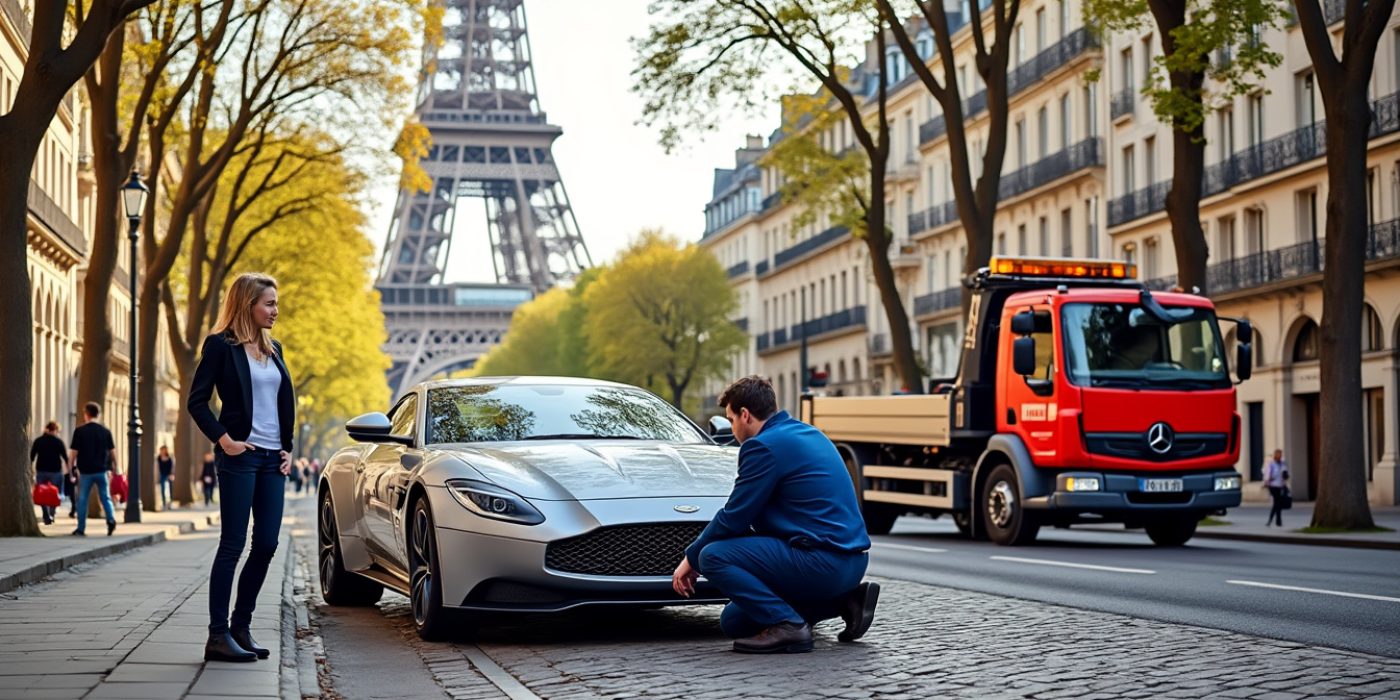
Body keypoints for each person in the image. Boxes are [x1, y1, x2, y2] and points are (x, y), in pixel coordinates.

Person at [672, 375, 879, 654]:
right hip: (850, 565)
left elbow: (734, 516)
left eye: (731, 419)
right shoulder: (808, 433)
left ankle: (789, 626)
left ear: (745, 415)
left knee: (713, 555)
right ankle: (845, 602)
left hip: (822, 562)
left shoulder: (762, 446)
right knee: (734, 621)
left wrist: (691, 557)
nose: (732, 427)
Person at [187, 272, 295, 663]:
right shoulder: (220, 347)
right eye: (268, 303)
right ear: (247, 304)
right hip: (240, 456)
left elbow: (283, 404)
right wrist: (223, 439)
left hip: (271, 460)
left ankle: (240, 626)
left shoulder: (275, 349)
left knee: (266, 543)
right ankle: (217, 635)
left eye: (276, 303)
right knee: (233, 544)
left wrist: (288, 448)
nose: (275, 311)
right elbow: (197, 401)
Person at [69, 402, 120, 537]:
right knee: (105, 497)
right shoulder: (105, 431)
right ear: (98, 414)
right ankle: (111, 519)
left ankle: (81, 528)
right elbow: (113, 452)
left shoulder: (79, 431)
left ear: (86, 414)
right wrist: (116, 467)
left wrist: (70, 470)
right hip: (101, 471)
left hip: (85, 472)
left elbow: (73, 454)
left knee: (82, 499)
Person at [30, 421, 68, 525]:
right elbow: (65, 456)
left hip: (41, 470)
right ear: (55, 430)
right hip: (55, 471)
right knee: (55, 494)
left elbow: (32, 456)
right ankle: (52, 513)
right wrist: (69, 469)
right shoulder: (58, 442)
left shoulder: (38, 441)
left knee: (42, 493)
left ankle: (45, 514)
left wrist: (30, 469)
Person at [1264, 448, 1290, 527]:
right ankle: (1274, 520)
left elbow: (1286, 475)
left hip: (1280, 486)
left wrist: (1285, 475)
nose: (1280, 456)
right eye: (1279, 454)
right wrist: (1267, 482)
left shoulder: (1282, 464)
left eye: (1281, 454)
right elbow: (1268, 475)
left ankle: (1276, 521)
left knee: (1277, 504)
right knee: (1276, 503)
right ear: (1276, 455)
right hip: (1273, 486)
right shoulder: (1271, 464)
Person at [157, 445, 175, 510]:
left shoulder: (170, 458)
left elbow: (172, 467)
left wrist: (172, 474)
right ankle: (164, 503)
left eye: (163, 450)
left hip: (169, 475)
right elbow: (157, 467)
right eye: (161, 450)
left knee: (170, 489)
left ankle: (170, 503)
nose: (162, 451)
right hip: (162, 475)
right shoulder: (159, 458)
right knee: (163, 488)